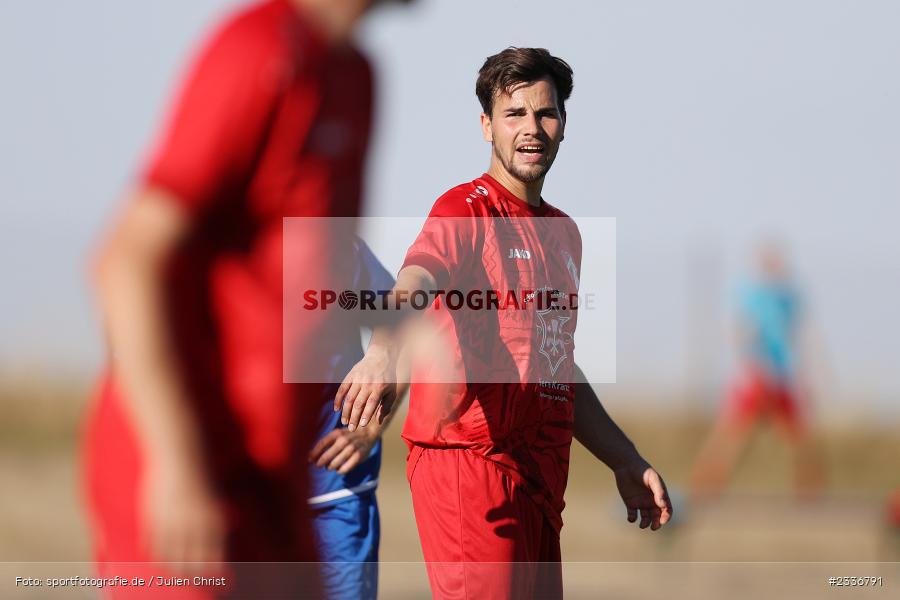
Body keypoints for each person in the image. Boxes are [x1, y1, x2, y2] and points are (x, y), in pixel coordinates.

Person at [84, 1, 412, 597]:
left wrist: (388, 357)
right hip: (193, 471)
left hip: (281, 485)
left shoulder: (355, 76)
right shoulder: (260, 51)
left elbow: (362, 284)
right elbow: (127, 260)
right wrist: (177, 463)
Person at [335, 47, 672, 599]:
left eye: (546, 113)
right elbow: (416, 278)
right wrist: (380, 352)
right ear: (487, 126)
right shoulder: (463, 210)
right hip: (468, 465)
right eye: (515, 114)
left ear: (564, 124)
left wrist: (626, 459)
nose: (532, 128)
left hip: (539, 477)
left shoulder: (564, 234)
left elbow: (556, 368)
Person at [306, 238, 405, 600]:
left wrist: (369, 428)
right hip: (251, 497)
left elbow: (404, 313)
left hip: (338, 492)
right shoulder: (210, 244)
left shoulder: (338, 246)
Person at [690, 240, 823, 499]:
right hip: (756, 375)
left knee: (799, 437)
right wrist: (754, 367)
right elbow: (740, 331)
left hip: (782, 374)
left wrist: (806, 373)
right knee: (734, 434)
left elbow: (797, 336)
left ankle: (809, 495)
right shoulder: (749, 293)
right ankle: (704, 489)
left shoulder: (788, 298)